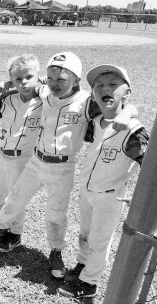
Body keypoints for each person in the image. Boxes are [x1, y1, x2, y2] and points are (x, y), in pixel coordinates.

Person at [0, 52, 136, 280]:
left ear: (76, 80)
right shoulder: (44, 91)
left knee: (56, 214)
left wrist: (128, 112)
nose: (55, 84)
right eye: (51, 78)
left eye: (62, 80)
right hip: (36, 161)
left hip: (63, 167)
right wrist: (5, 85)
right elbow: (24, 85)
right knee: (15, 199)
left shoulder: (86, 101)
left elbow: (120, 106)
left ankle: (56, 251)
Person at [57, 65, 148, 298]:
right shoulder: (97, 121)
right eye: (99, 86)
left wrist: (130, 113)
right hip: (89, 190)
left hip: (110, 196)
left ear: (126, 94)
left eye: (113, 85)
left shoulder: (132, 130)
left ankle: (88, 284)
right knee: (85, 234)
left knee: (99, 241)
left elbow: (147, 165)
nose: (105, 88)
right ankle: (82, 265)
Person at [0, 54, 43, 251]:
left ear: (38, 77)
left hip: (25, 158)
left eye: (29, 77)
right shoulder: (8, 98)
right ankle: (1, 228)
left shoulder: (46, 100)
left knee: (17, 198)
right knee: (2, 194)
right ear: (11, 80)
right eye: (18, 79)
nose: (23, 82)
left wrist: (45, 87)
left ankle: (15, 234)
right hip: (4, 154)